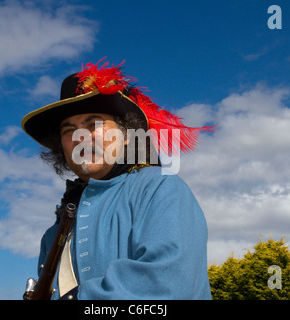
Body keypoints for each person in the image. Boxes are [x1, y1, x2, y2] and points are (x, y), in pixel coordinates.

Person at [21, 60, 213, 300]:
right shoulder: (53, 233)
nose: (80, 137)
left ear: (125, 135)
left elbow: (169, 286)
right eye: (68, 130)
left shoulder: (159, 188)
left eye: (94, 124)